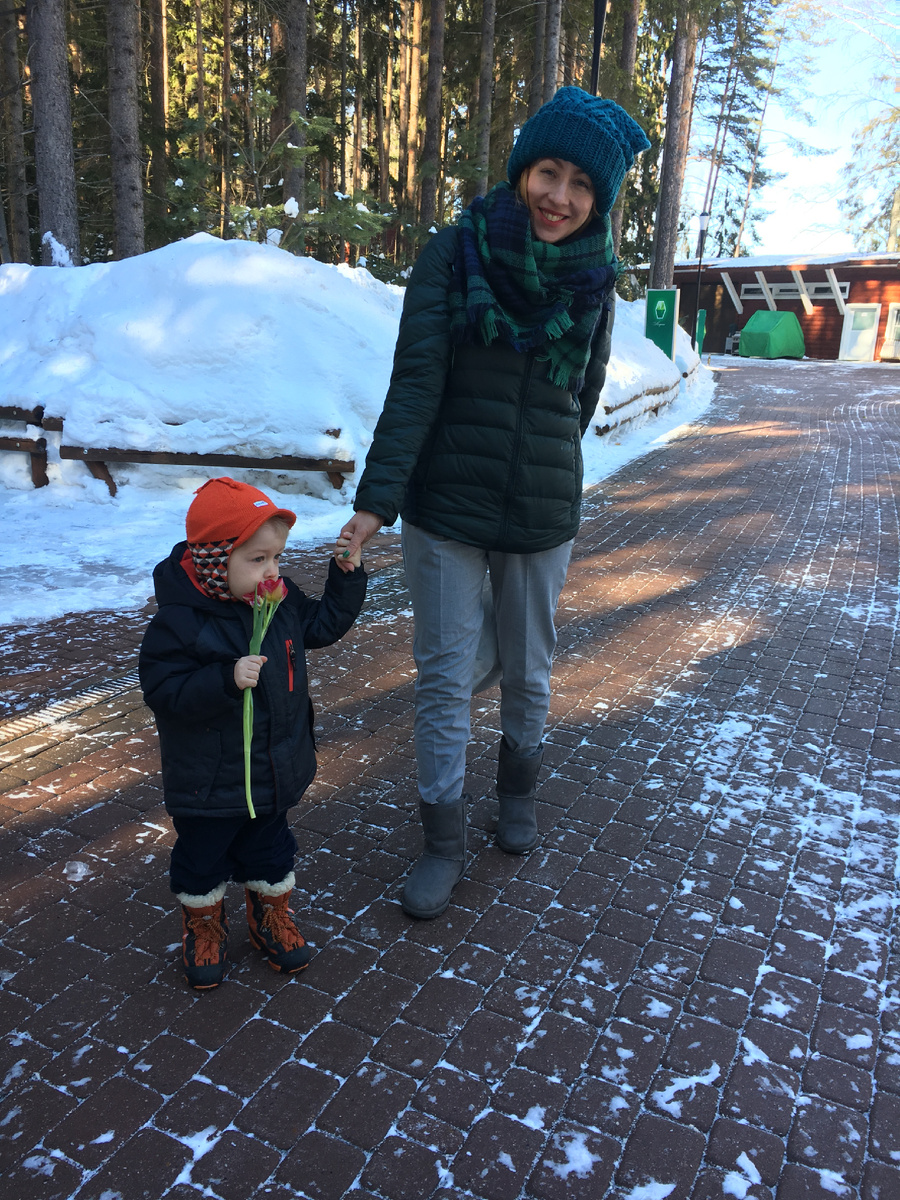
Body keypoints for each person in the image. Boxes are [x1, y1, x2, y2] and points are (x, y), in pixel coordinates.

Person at [339, 87, 650, 920]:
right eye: (549, 171)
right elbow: (417, 382)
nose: (561, 196)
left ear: (600, 201)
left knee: (529, 667)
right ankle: (442, 841)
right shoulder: (453, 255)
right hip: (446, 506)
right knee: (444, 678)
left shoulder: (596, 278)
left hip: (543, 511)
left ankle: (517, 798)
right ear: (522, 170)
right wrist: (379, 501)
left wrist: (547, 461)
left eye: (583, 185)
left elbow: (578, 397)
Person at [139, 476, 366, 989]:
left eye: (277, 559)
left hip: (273, 767)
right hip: (208, 781)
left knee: (271, 849)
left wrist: (345, 577)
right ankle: (203, 924)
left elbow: (322, 626)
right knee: (202, 859)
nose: (272, 572)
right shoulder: (181, 622)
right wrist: (224, 678)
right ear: (217, 562)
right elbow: (164, 691)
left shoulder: (280, 603)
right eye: (258, 559)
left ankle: (270, 915)